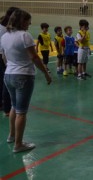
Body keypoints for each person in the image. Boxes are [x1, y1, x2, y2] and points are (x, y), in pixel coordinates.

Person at [0, 9, 52, 153]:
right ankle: (18, 144)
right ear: (21, 21)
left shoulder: (4, 36)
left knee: (14, 107)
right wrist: (46, 74)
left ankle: (11, 136)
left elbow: (4, 57)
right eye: (28, 20)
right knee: (21, 112)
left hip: (8, 75)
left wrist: (12, 66)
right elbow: (34, 58)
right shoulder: (25, 36)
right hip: (23, 76)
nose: (30, 23)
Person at [0, 7, 19, 117]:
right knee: (6, 83)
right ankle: (7, 108)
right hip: (3, 57)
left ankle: (4, 105)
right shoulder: (6, 30)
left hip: (2, 56)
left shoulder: (3, 27)